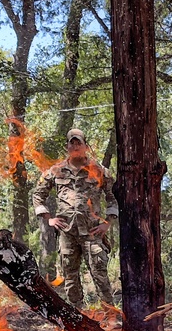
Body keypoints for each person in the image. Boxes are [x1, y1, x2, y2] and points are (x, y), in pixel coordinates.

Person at [32, 129, 119, 306]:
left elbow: (114, 199)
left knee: (100, 275)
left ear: (86, 146)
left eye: (79, 142)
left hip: (93, 233)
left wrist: (107, 224)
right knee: (70, 278)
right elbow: (37, 195)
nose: (75, 146)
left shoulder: (100, 171)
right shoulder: (56, 171)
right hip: (67, 233)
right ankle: (78, 318)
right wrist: (48, 218)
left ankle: (110, 316)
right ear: (67, 146)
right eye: (72, 143)